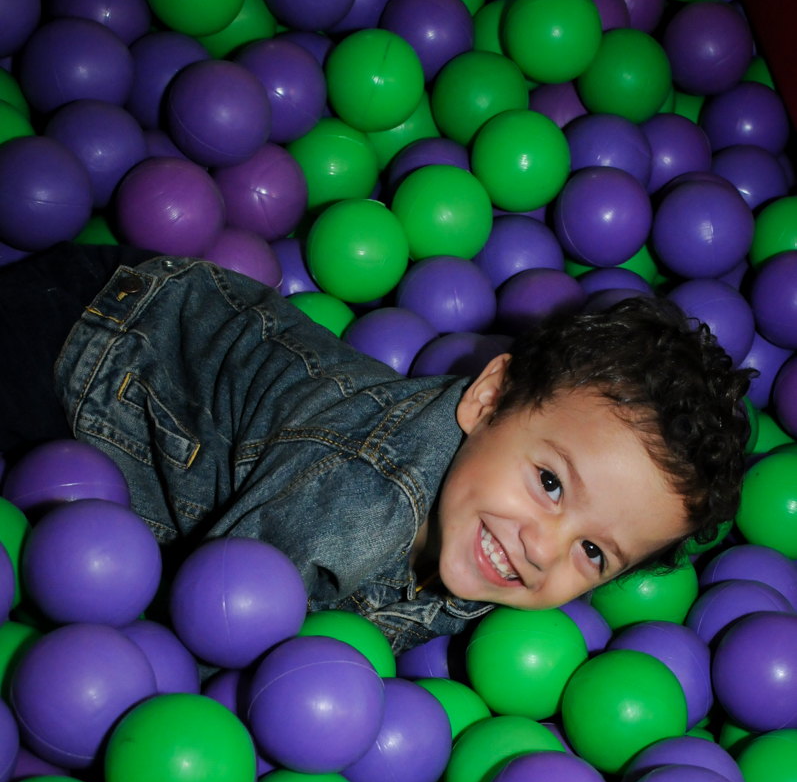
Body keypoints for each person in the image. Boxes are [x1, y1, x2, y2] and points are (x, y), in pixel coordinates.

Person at [0, 243, 750, 652]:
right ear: (488, 398)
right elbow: (213, 625)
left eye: (594, 554)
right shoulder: (364, 492)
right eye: (551, 484)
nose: (542, 548)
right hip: (106, 341)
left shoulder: (485, 533)